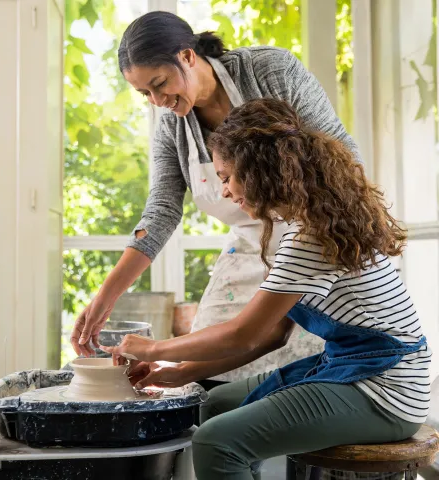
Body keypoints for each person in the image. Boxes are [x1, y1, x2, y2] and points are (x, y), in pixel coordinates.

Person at [100, 98, 431, 480]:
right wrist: (177, 373)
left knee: (215, 443)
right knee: (215, 403)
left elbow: (244, 335)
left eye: (226, 177)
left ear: (259, 171)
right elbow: (272, 335)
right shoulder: (302, 224)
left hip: (385, 389)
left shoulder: (311, 237)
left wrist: (153, 348)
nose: (223, 192)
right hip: (359, 368)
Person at [70, 11, 362, 385]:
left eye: (160, 83)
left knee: (302, 375)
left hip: (315, 238)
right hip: (248, 247)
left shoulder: (270, 70)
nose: (158, 101)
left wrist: (308, 256)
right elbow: (161, 212)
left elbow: (341, 156)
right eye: (145, 93)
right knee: (204, 377)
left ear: (188, 56)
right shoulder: (171, 126)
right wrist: (104, 300)